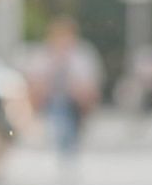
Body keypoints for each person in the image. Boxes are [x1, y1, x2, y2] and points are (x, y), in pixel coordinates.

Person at [26, 16, 103, 158]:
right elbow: (34, 81)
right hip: (48, 100)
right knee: (57, 106)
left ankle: (66, 139)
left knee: (65, 106)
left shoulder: (82, 56)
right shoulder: (42, 55)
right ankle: (59, 138)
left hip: (74, 102)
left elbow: (89, 84)